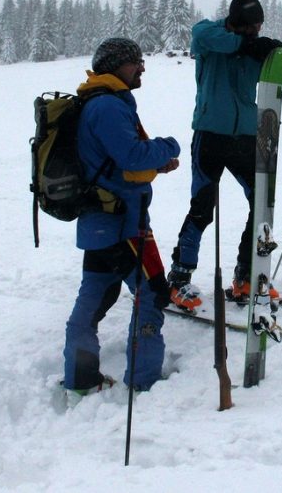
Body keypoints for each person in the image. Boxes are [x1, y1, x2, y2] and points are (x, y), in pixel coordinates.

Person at [168, 0, 282, 311]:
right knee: (203, 207)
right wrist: (246, 45)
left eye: (259, 28)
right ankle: (178, 278)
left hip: (247, 136)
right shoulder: (210, 35)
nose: (255, 34)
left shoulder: (261, 46)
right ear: (234, 22)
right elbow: (203, 34)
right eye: (250, 28)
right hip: (210, 134)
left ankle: (247, 276)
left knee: (261, 203)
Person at [63, 37, 181, 398]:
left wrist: (153, 163)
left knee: (93, 298)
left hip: (100, 223)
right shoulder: (108, 107)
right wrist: (168, 147)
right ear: (116, 65)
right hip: (124, 225)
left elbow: (118, 161)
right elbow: (130, 156)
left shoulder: (97, 101)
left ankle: (81, 379)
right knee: (153, 294)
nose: (142, 67)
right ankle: (144, 380)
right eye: (135, 62)